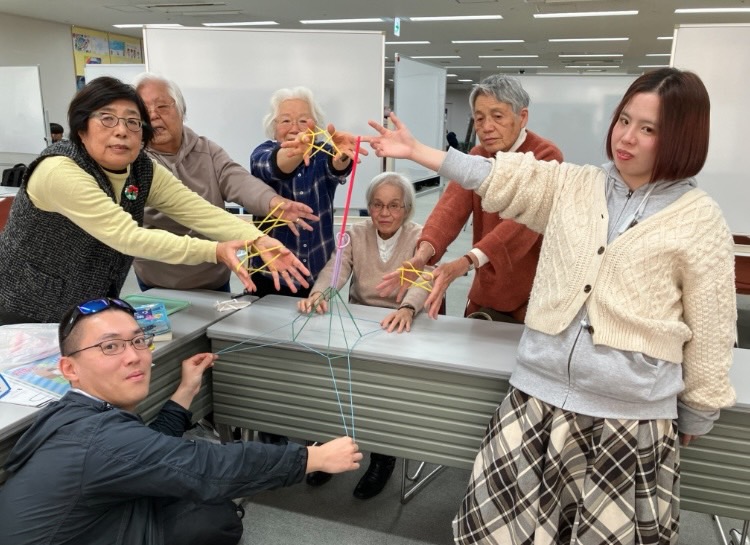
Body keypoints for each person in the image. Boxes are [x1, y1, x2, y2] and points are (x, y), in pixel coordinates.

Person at [366, 68, 737, 544]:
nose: (626, 137)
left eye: (648, 129)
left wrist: (700, 407)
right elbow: (501, 178)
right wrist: (419, 152)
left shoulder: (699, 219)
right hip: (535, 399)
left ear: (682, 137)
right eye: (624, 120)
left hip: (627, 415)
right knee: (497, 533)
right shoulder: (577, 185)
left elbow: (712, 324)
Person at [0, 297, 362, 545]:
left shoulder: (74, 413)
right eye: (110, 346)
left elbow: (147, 454)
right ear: (69, 368)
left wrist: (186, 391)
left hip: (88, 528)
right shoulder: (96, 438)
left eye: (138, 341)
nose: (134, 356)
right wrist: (312, 458)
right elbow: (206, 466)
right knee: (212, 517)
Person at [0, 76, 309, 325]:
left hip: (89, 303)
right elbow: (127, 237)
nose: (121, 131)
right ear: (82, 128)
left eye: (132, 122)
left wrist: (257, 240)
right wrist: (215, 250)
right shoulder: (60, 169)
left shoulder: (142, 168)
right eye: (107, 119)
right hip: (24, 305)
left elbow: (197, 210)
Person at [380, 75, 563, 322]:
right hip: (486, 288)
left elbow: (519, 226)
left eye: (497, 116)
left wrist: (465, 262)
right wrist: (421, 256)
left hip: (531, 292)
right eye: (479, 118)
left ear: (522, 117)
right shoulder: (479, 154)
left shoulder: (546, 156)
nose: (486, 127)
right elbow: (449, 210)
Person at [297, 172, 430, 498]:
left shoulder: (420, 237)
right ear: (369, 207)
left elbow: (426, 277)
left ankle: (383, 456)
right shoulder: (355, 233)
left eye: (394, 205)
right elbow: (336, 268)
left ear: (407, 209)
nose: (385, 212)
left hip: (401, 323)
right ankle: (329, 449)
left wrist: (408, 308)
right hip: (361, 321)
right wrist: (320, 294)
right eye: (377, 204)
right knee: (337, 382)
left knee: (385, 391)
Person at [131, 73, 319, 292]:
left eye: (162, 106)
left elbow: (236, 179)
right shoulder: (134, 162)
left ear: (181, 110)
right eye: (144, 109)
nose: (153, 115)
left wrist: (273, 202)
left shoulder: (206, 150)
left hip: (213, 279)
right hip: (157, 283)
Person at [250, 86, 359, 299]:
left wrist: (343, 156)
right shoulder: (261, 153)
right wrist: (299, 151)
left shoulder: (323, 152)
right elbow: (276, 167)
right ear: (273, 126)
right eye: (286, 120)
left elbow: (337, 165)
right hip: (270, 274)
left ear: (314, 126)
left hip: (317, 275)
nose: (295, 128)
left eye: (303, 121)